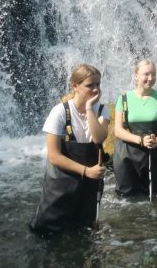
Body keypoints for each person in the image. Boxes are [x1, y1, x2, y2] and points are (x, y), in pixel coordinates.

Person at [30, 64, 109, 233]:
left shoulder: (102, 110)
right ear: (75, 86)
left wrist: (89, 109)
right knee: (48, 233)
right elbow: (54, 156)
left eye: (98, 84)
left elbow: (99, 138)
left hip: (90, 187)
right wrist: (87, 171)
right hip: (60, 185)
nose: (95, 89)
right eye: (90, 85)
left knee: (84, 233)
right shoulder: (59, 112)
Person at [113, 59, 157, 196]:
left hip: (156, 152)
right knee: (127, 196)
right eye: (146, 74)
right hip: (127, 155)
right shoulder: (123, 99)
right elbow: (118, 131)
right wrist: (140, 140)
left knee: (153, 195)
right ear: (136, 76)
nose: (150, 78)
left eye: (153, 75)